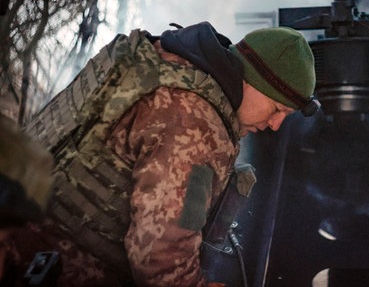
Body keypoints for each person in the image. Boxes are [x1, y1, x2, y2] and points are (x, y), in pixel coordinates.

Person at [2, 21, 318, 286]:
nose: (276, 125)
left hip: (18, 246)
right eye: (277, 109)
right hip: (58, 266)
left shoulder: (162, 65)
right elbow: (161, 261)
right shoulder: (195, 123)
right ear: (253, 81)